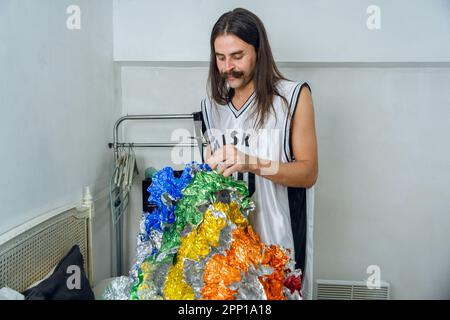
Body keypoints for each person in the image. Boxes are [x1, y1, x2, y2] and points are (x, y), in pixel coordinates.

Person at [200, 8, 318, 299]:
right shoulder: (209, 107)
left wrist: (251, 162)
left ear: (259, 52)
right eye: (220, 57)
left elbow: (308, 173)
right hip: (230, 248)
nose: (228, 66)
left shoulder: (293, 97)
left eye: (237, 56)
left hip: (280, 239)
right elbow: (209, 179)